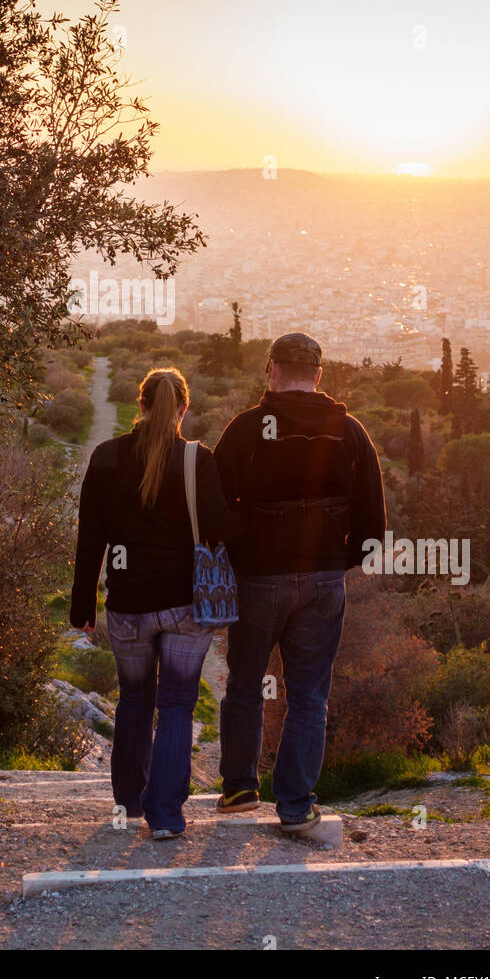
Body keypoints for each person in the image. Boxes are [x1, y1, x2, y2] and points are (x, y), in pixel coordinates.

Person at [213, 332, 386, 833]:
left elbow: (217, 511)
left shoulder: (245, 429)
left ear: (271, 370)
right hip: (323, 580)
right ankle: (294, 806)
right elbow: (374, 523)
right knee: (309, 694)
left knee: (245, 683)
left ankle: (241, 788)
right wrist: (337, 561)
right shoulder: (350, 431)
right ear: (319, 374)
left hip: (258, 580)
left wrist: (245, 546)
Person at [70, 366, 241, 839]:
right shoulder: (196, 461)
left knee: (134, 701)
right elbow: (223, 529)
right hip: (185, 605)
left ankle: (128, 804)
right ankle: (165, 815)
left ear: (140, 405)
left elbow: (91, 541)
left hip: (127, 605)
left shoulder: (105, 458)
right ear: (183, 409)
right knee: (179, 704)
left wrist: (83, 606)